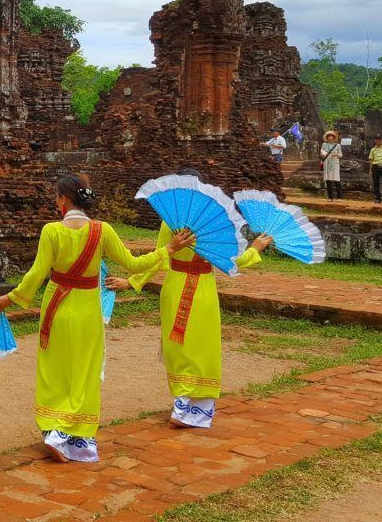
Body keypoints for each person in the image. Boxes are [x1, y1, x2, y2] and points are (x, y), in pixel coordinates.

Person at [0, 174, 192, 463]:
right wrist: (168, 249)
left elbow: (37, 273)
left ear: (62, 199)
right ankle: (74, 435)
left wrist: (11, 298)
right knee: (86, 369)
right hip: (87, 307)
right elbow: (133, 263)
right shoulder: (102, 230)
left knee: (54, 367)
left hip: (57, 306)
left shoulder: (51, 231)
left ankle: (55, 429)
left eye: (56, 197)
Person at [110, 168, 272, 429]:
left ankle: (182, 404)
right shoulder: (213, 223)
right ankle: (191, 408)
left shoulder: (169, 222)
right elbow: (232, 260)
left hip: (176, 287)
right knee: (201, 347)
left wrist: (132, 281)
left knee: (181, 347)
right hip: (202, 290)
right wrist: (255, 249)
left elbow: (161, 255)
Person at [320, 130, 344, 201]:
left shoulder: (337, 145)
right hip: (327, 163)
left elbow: (341, 155)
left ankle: (339, 197)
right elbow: (322, 154)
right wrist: (322, 154)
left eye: (331, 136)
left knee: (337, 180)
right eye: (329, 136)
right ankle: (330, 197)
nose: (330, 137)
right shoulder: (324, 145)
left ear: (334, 137)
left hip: (335, 163)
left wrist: (336, 154)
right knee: (328, 180)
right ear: (327, 138)